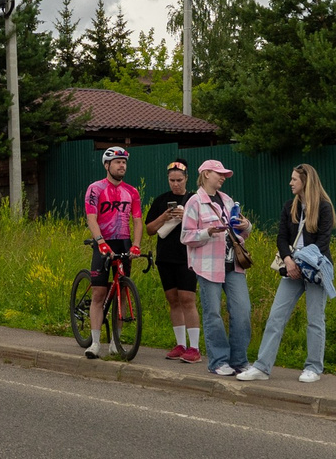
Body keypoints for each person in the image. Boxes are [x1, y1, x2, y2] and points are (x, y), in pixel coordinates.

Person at [240, 165, 336, 385]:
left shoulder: (324, 207)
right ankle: (262, 367)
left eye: (294, 179)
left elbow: (323, 242)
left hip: (314, 270)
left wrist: (300, 262)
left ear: (306, 182)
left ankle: (313, 368)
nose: (290, 183)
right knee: (276, 317)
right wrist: (288, 260)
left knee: (315, 319)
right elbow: (281, 237)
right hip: (291, 268)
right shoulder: (289, 207)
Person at [180, 159, 253, 378]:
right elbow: (186, 236)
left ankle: (239, 361)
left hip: (233, 264)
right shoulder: (195, 202)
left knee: (242, 311)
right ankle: (218, 361)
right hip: (208, 266)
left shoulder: (228, 200)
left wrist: (246, 226)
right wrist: (207, 232)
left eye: (224, 175)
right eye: (219, 174)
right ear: (205, 174)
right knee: (213, 314)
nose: (223, 177)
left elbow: (240, 233)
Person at [81, 145, 143, 359]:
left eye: (124, 162)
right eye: (117, 162)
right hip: (103, 242)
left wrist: (136, 244)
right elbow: (91, 217)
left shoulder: (132, 191)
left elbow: (137, 220)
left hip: (123, 243)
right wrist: (100, 241)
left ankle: (116, 341)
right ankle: (95, 343)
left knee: (121, 293)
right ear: (107, 165)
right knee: (98, 293)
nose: (122, 165)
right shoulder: (95, 188)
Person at [147, 159, 201, 362]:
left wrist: (185, 215)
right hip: (165, 256)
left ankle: (194, 347)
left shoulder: (194, 199)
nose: (176, 184)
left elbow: (204, 226)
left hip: (187, 256)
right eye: (172, 180)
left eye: (179, 180)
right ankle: (180, 344)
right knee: (173, 300)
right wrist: (164, 216)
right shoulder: (161, 200)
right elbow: (150, 229)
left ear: (187, 179)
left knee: (188, 299)